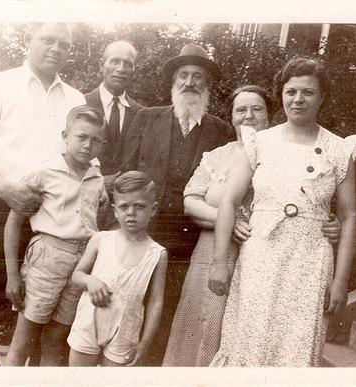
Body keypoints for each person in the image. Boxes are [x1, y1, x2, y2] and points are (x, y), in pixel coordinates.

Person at [163, 85, 341, 366]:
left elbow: (305, 200)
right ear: (231, 117)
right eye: (240, 110)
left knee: (243, 336)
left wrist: (331, 221)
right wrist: (228, 221)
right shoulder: (215, 155)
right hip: (212, 252)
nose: (248, 116)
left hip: (262, 258)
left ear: (270, 116)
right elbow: (190, 202)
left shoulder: (281, 153)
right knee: (200, 328)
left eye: (257, 109)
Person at [209, 58, 356, 367]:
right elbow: (229, 201)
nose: (298, 99)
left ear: (322, 97)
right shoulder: (260, 142)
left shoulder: (338, 149)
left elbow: (349, 215)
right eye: (291, 92)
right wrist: (219, 261)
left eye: (308, 92)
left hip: (310, 260)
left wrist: (341, 280)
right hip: (261, 257)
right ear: (281, 95)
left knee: (297, 348)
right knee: (249, 342)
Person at [0, 23, 85, 366]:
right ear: (28, 41)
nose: (56, 48)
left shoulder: (75, 98)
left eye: (64, 44)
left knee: (45, 306)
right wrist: (5, 188)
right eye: (48, 39)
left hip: (49, 215)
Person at [120, 44, 235, 364]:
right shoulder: (147, 118)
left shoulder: (221, 131)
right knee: (129, 306)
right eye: (183, 75)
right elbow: (125, 176)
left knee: (170, 312)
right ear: (174, 82)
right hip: (145, 235)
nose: (190, 82)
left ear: (208, 86)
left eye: (198, 77)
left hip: (191, 243)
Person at [2, 105, 107, 366]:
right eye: (81, 137)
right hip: (47, 257)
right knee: (22, 344)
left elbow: (94, 218)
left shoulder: (96, 177)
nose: (87, 145)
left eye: (95, 140)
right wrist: (13, 275)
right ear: (65, 136)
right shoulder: (44, 172)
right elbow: (14, 221)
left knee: (56, 339)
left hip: (81, 263)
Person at [67, 171, 168, 366]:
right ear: (115, 210)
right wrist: (91, 281)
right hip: (89, 322)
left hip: (125, 330)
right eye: (124, 206)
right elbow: (77, 275)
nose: (131, 213)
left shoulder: (157, 254)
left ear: (153, 209)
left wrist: (145, 343)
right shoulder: (100, 240)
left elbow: (156, 302)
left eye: (139, 206)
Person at [85, 40, 145, 230]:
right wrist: (100, 181)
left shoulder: (143, 114)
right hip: (80, 207)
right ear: (101, 66)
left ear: (134, 70)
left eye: (128, 64)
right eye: (115, 61)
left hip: (123, 215)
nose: (121, 68)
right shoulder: (79, 103)